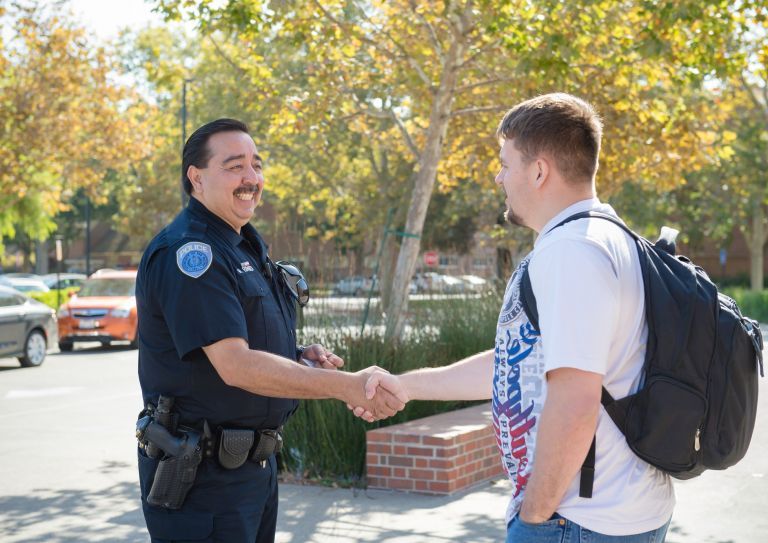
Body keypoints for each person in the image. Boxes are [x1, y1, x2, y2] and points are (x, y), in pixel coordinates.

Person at [361, 94, 674, 542]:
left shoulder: (572, 253)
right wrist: (408, 386)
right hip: (605, 515)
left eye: (505, 163)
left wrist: (535, 515)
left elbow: (576, 401)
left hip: (578, 521)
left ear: (539, 170)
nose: (498, 176)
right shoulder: (606, 237)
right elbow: (518, 361)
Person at [135, 118, 405, 543]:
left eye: (256, 166)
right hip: (201, 482)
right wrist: (343, 386)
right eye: (234, 166)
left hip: (252, 472)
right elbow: (236, 366)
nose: (251, 178)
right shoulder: (192, 254)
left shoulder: (243, 246)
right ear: (196, 178)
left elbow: (243, 343)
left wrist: (296, 356)